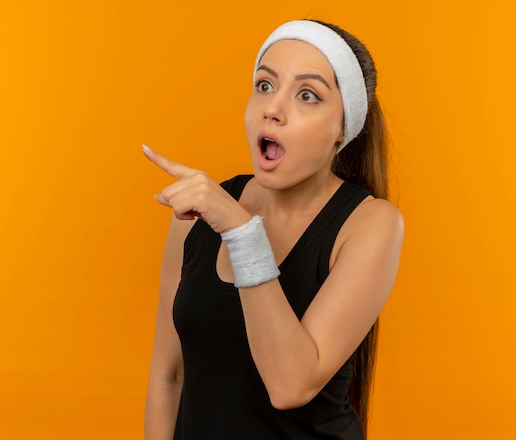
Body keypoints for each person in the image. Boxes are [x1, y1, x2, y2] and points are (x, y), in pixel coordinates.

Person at [143, 19, 404, 440]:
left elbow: (290, 385)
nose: (272, 108)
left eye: (307, 95)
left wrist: (243, 233)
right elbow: (167, 377)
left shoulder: (371, 224)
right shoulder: (201, 213)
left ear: (343, 129)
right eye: (265, 85)